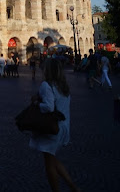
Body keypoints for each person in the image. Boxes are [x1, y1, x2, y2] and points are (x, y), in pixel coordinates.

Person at [29, 58, 78, 192]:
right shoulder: (63, 86)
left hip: (52, 128)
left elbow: (49, 107)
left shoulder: (47, 85)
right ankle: (73, 187)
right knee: (52, 158)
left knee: (49, 164)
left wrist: (37, 103)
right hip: (63, 127)